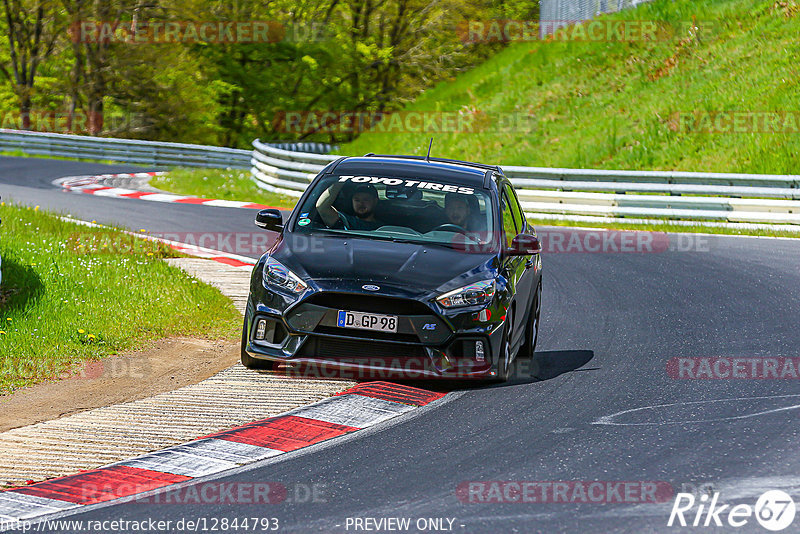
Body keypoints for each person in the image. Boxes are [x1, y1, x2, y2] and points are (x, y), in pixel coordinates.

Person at [316, 181, 384, 230]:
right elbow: (322, 207)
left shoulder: (383, 229)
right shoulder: (345, 221)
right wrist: (341, 181)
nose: (361, 203)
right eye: (357, 200)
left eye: (365, 199)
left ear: (375, 201)